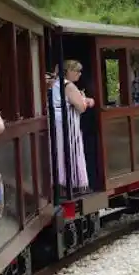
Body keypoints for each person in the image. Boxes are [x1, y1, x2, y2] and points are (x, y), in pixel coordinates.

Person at [52, 60, 94, 196]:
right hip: (68, 123)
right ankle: (78, 184)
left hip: (56, 123)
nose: (79, 74)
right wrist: (88, 101)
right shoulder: (68, 86)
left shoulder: (54, 84)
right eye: (77, 71)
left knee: (59, 152)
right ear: (69, 71)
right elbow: (80, 107)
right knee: (73, 150)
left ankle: (60, 183)